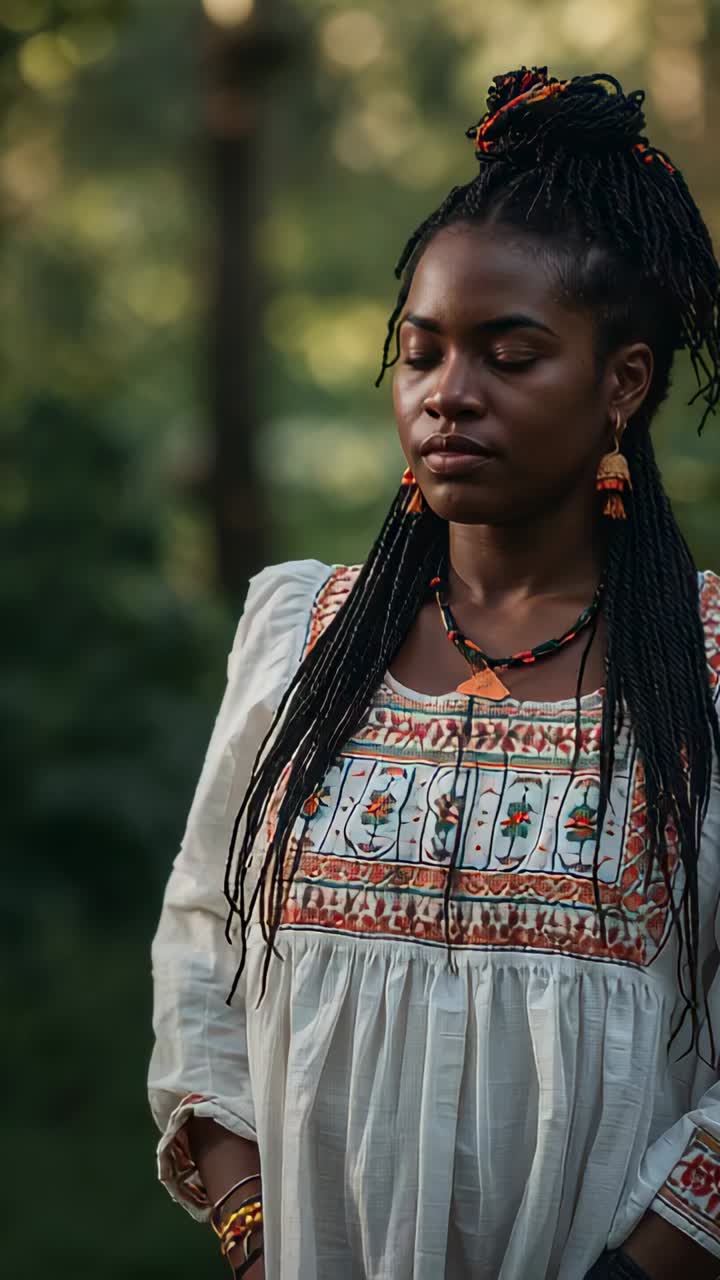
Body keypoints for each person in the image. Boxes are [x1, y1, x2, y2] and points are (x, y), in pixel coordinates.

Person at [148, 66, 720, 1280]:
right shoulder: (302, 633)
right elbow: (202, 942)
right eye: (422, 353)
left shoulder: (706, 668)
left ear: (623, 382)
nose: (449, 395)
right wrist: (253, 1230)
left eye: (511, 355)